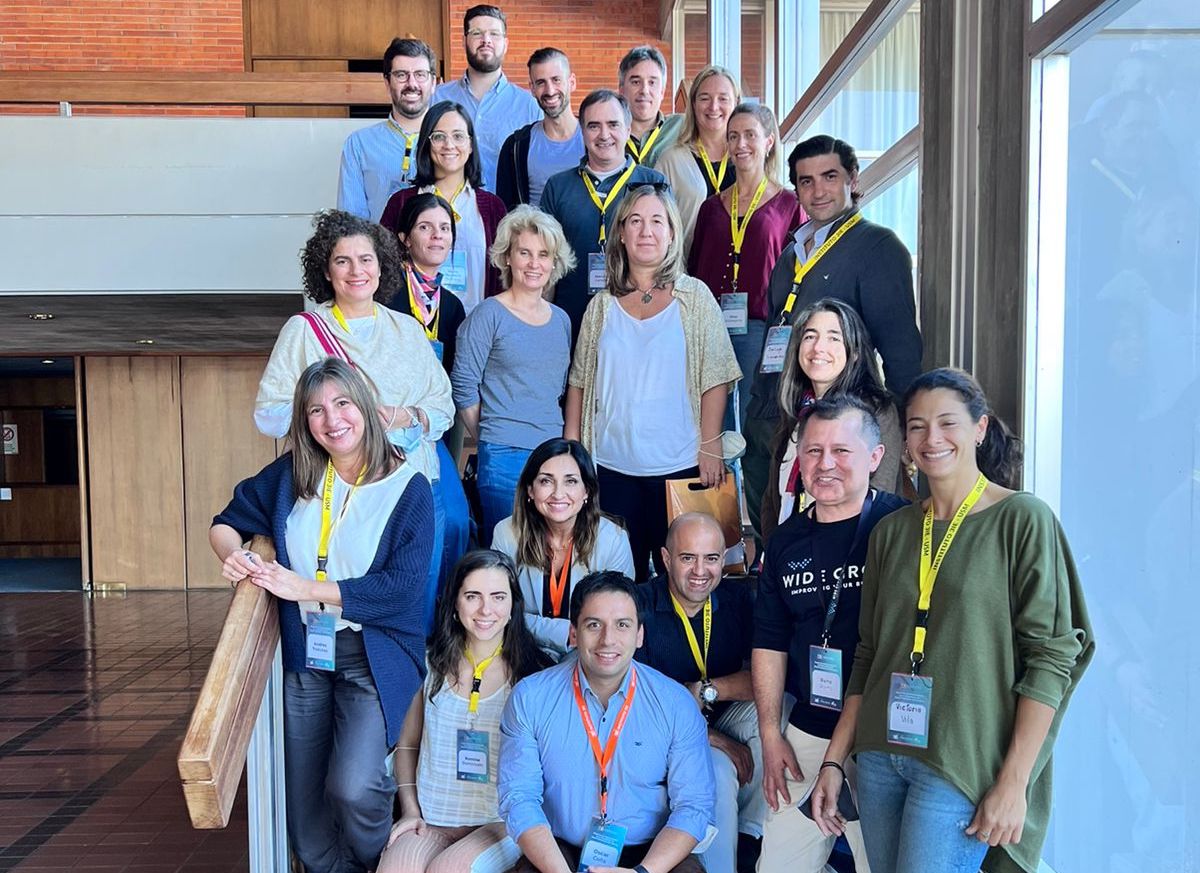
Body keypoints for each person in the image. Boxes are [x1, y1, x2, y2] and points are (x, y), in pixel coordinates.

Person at [809, 369, 1094, 873]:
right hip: (879, 757)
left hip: (960, 761)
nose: (931, 438)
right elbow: (869, 654)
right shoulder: (891, 531)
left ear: (979, 428)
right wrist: (835, 759)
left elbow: (1052, 659)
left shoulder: (1022, 519)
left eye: (947, 423)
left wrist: (1014, 782)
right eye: (917, 426)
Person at [211, 358, 433, 873]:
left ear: (365, 407)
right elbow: (226, 521)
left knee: (353, 787)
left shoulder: (409, 488)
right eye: (316, 410)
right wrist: (234, 555)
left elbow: (401, 591)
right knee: (304, 809)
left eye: (342, 403)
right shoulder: (295, 474)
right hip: (307, 651)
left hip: (371, 655)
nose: (332, 420)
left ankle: (373, 861)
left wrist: (306, 588)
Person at [255, 210, 454, 632]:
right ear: (326, 271)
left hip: (411, 487)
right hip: (336, 494)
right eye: (342, 261)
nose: (356, 271)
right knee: (348, 605)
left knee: (411, 606)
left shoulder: (408, 330)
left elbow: (443, 408)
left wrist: (402, 415)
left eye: (366, 259)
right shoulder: (305, 331)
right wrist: (331, 417)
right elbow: (268, 414)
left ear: (382, 266)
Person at [751, 394, 907, 873]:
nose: (825, 464)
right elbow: (769, 643)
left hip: (883, 736)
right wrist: (770, 734)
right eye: (814, 451)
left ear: (875, 457)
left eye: (842, 451)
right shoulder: (785, 541)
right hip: (808, 730)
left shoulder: (902, 526)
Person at [742, 135, 922, 539]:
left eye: (830, 177)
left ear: (852, 179)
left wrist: (907, 427)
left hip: (841, 418)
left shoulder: (878, 247)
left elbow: (902, 352)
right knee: (775, 526)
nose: (818, 190)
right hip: (777, 410)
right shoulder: (792, 253)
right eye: (806, 181)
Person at [565, 185, 740, 583]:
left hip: (681, 467)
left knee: (684, 582)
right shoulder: (600, 306)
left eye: (657, 221)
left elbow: (716, 377)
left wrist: (710, 446)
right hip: (610, 469)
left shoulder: (695, 298)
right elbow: (579, 382)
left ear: (672, 233)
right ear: (621, 234)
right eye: (636, 221)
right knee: (614, 584)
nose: (646, 231)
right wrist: (573, 454)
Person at [499, 572, 714, 873]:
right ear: (574, 633)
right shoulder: (530, 698)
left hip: (651, 855)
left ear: (639, 635)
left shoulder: (676, 704)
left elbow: (694, 806)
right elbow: (519, 798)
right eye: (593, 625)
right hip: (558, 852)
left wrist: (642, 872)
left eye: (622, 625)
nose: (608, 640)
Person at [376, 550, 545, 873]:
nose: (486, 609)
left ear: (513, 605)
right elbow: (407, 745)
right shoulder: (429, 664)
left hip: (500, 823)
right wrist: (410, 811)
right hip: (432, 817)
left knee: (447, 869)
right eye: (472, 596)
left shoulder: (532, 675)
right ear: (455, 603)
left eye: (498, 597)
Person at [633, 512, 763, 873]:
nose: (700, 571)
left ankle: (751, 837)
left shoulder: (738, 599)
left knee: (778, 706)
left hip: (718, 714)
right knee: (716, 768)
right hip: (661, 734)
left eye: (711, 558)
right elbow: (635, 698)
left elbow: (765, 679)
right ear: (665, 558)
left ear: (724, 560)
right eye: (688, 557)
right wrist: (716, 740)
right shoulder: (639, 604)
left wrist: (705, 689)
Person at [451, 206, 574, 547]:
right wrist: (491, 434)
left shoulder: (562, 320)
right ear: (507, 257)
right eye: (524, 253)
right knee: (508, 554)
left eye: (543, 254)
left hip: (553, 454)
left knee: (550, 552)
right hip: (503, 456)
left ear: (554, 262)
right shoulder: (488, 314)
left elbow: (557, 390)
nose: (534, 264)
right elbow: (464, 386)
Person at [760, 298, 907, 541]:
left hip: (853, 554)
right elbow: (772, 497)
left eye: (833, 338)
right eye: (810, 336)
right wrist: (778, 549)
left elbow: (880, 496)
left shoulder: (877, 410)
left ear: (855, 352)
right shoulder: (796, 409)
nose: (818, 347)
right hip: (793, 553)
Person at [688, 102, 801, 416]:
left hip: (761, 329)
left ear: (768, 141)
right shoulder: (711, 207)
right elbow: (696, 269)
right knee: (712, 422)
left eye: (750, 135)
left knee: (756, 420)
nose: (740, 144)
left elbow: (799, 273)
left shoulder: (789, 205)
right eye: (733, 136)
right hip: (711, 329)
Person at [539, 89, 666, 340]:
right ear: (582, 132)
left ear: (628, 129)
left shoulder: (655, 185)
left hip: (638, 322)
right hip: (572, 321)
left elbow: (668, 256)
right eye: (594, 126)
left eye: (613, 124)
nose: (604, 134)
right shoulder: (558, 187)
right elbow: (545, 261)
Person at [491, 437, 635, 658]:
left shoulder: (613, 540)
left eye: (571, 481)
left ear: (587, 491)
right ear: (530, 490)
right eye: (546, 481)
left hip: (590, 653)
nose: (558, 494)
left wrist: (531, 622)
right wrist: (564, 632)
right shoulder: (506, 533)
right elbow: (497, 610)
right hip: (521, 648)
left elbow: (616, 619)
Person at [391, 192, 472, 580]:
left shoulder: (452, 306)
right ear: (405, 238)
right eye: (426, 227)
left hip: (430, 428)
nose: (437, 236)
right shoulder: (383, 293)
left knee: (455, 521)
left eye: (444, 228)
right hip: (386, 427)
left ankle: (446, 609)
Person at [380, 101, 507, 312]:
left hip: (478, 322)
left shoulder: (493, 208)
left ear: (470, 145)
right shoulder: (400, 203)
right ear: (426, 143)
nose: (449, 145)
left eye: (458, 136)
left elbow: (503, 275)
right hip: (414, 322)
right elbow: (384, 269)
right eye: (439, 136)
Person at [434, 4, 542, 193]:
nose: (486, 40)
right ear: (464, 41)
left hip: (507, 210)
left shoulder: (530, 106)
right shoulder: (437, 98)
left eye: (494, 34)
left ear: (505, 43)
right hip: (445, 209)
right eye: (477, 33)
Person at [338, 38, 437, 222]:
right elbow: (351, 221)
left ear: (433, 83)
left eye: (420, 74)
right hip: (378, 241)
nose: (412, 83)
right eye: (401, 75)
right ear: (387, 82)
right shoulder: (359, 144)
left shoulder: (451, 144)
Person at [656, 65, 741, 253]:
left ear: (736, 103)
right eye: (704, 98)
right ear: (693, 104)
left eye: (723, 98)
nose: (714, 107)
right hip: (688, 266)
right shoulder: (671, 160)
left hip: (742, 266)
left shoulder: (746, 157)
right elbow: (657, 223)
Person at [495, 47, 583, 210]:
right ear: (532, 89)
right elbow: (506, 213)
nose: (550, 91)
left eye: (556, 80)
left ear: (572, 82)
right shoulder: (516, 147)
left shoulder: (595, 140)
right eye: (541, 82)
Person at [618, 45, 683, 168]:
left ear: (662, 91)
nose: (644, 90)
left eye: (652, 82)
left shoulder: (682, 127)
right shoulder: (608, 133)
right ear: (621, 90)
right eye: (636, 82)